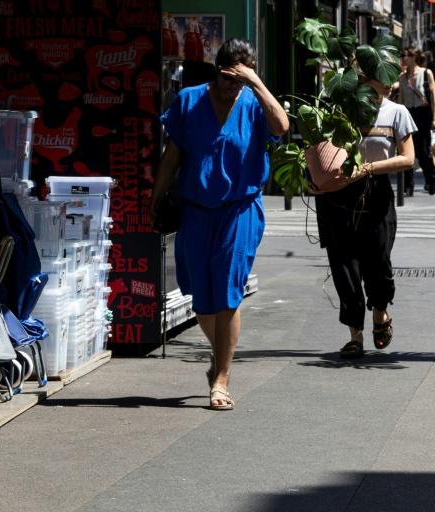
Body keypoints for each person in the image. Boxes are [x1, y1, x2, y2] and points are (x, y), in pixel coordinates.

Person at [150, 38, 289, 410]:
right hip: (196, 209)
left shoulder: (254, 103)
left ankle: (222, 377)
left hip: (239, 209)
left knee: (228, 290)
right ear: (217, 71)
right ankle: (221, 357)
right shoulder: (190, 100)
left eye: (241, 80)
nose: (234, 87)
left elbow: (282, 126)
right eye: (230, 78)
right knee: (201, 297)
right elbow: (172, 155)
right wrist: (154, 197)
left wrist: (256, 83)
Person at [313, 77, 415, 359]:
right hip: (338, 193)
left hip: (376, 191)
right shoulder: (340, 108)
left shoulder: (397, 112)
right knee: (344, 264)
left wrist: (367, 168)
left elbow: (407, 159)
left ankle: (380, 312)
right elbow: (317, 149)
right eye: (382, 76)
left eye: (392, 75)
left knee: (378, 260)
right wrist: (313, 178)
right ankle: (355, 335)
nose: (391, 82)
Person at [396, 47, 435, 195]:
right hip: (408, 113)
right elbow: (400, 101)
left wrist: (434, 117)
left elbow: (433, 96)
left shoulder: (426, 73)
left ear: (413, 57)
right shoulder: (402, 77)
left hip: (423, 114)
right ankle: (408, 186)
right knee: (405, 149)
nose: (403, 58)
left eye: (405, 55)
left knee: (423, 151)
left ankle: (431, 181)